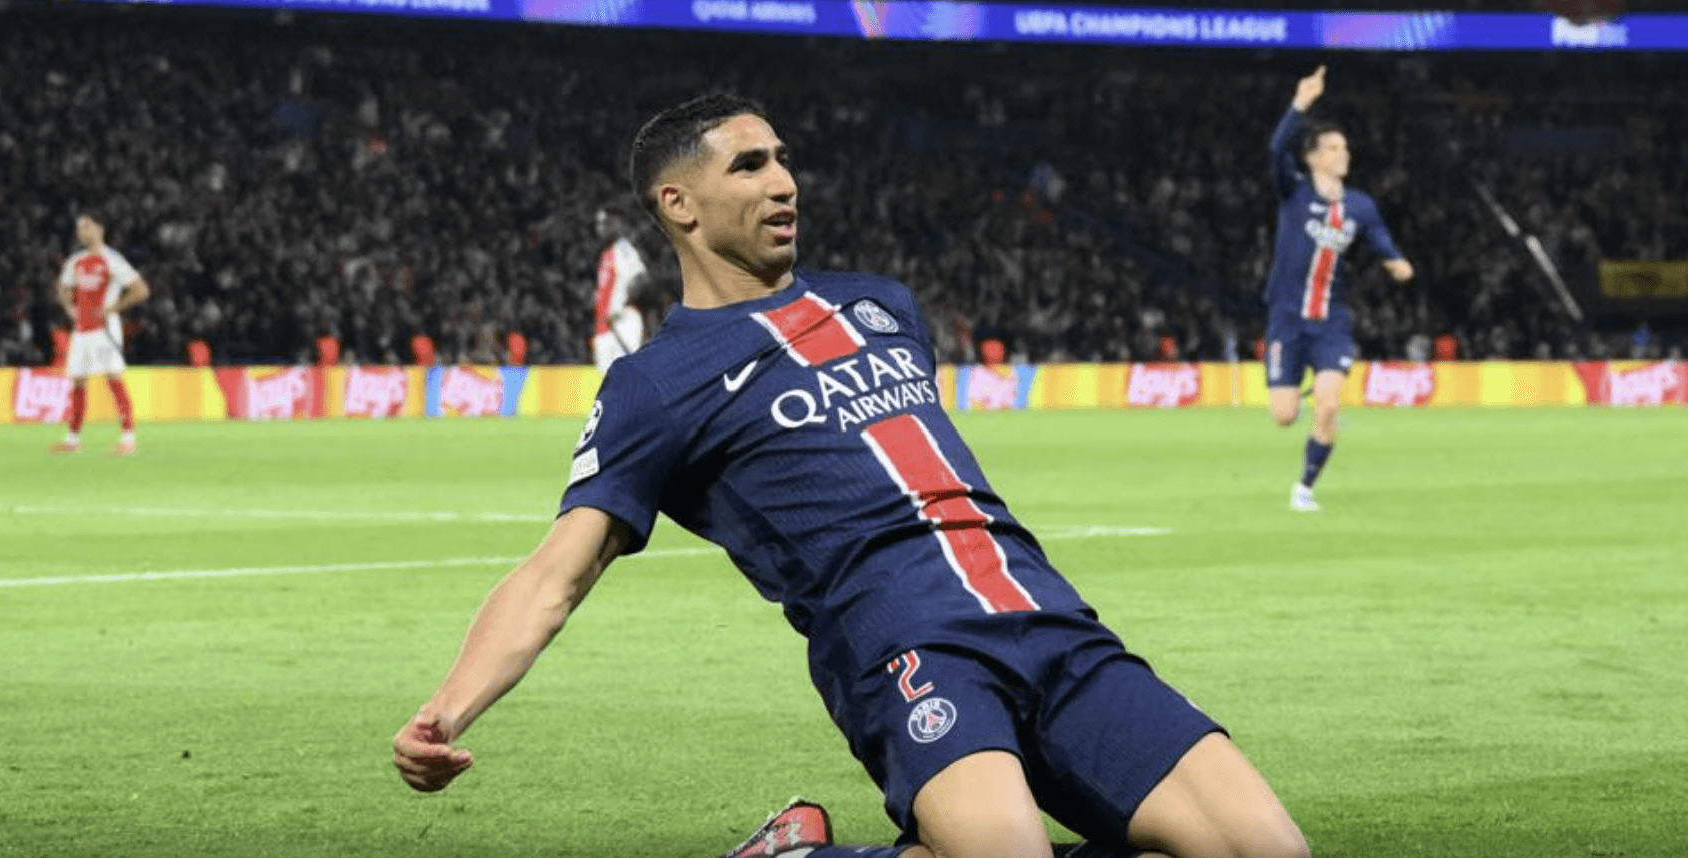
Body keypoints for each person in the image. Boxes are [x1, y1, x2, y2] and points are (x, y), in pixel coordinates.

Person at [393, 94, 1310, 858]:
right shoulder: (655, 385)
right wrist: (445, 711)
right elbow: (556, 575)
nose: (784, 181)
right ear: (679, 204)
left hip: (1052, 620)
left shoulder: (881, 305)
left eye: (783, 160)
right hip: (904, 645)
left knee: (1269, 850)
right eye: (749, 165)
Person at [1264, 66, 1413, 512]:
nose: (1343, 153)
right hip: (1287, 318)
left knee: (1329, 407)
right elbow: (1276, 148)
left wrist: (1396, 260)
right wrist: (1300, 104)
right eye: (1333, 147)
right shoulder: (1294, 191)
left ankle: (1304, 488)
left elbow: (1381, 238)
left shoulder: (1360, 206)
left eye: (1344, 147)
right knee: (1284, 416)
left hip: (1332, 321)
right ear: (1312, 158)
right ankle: (1309, 393)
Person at [50, 213, 150, 455]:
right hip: (81, 330)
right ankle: (72, 440)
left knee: (113, 377)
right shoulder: (76, 261)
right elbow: (62, 286)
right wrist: (69, 308)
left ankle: (129, 439)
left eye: (86, 226)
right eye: (79, 228)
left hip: (104, 330)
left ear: (100, 229)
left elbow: (141, 290)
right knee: (77, 380)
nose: (82, 232)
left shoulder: (112, 260)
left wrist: (113, 308)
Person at [591, 206, 650, 372]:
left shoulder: (622, 248)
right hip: (604, 329)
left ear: (617, 223)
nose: (601, 228)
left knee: (627, 379)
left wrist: (621, 305)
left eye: (605, 223)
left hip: (620, 324)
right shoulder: (606, 254)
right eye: (598, 224)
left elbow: (641, 278)